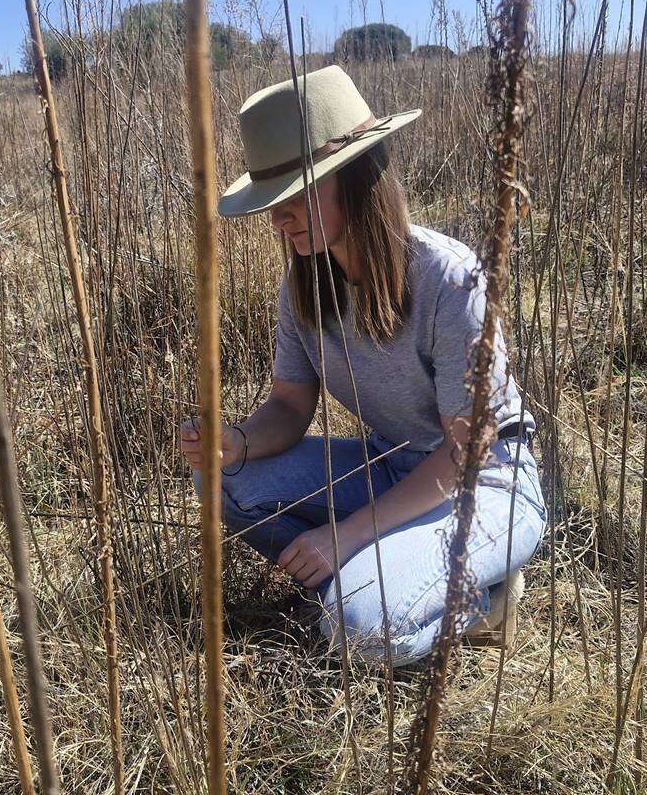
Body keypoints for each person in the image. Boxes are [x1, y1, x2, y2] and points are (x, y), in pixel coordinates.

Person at [179, 65, 546, 667]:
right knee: (218, 482)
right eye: (272, 202)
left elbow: (464, 452)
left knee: (357, 629)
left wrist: (345, 535)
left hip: (488, 483)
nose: (279, 218)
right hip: (390, 467)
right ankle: (376, 574)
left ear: (355, 181)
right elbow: (290, 408)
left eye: (297, 195)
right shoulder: (304, 284)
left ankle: (483, 598)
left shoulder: (449, 280)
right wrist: (235, 442)